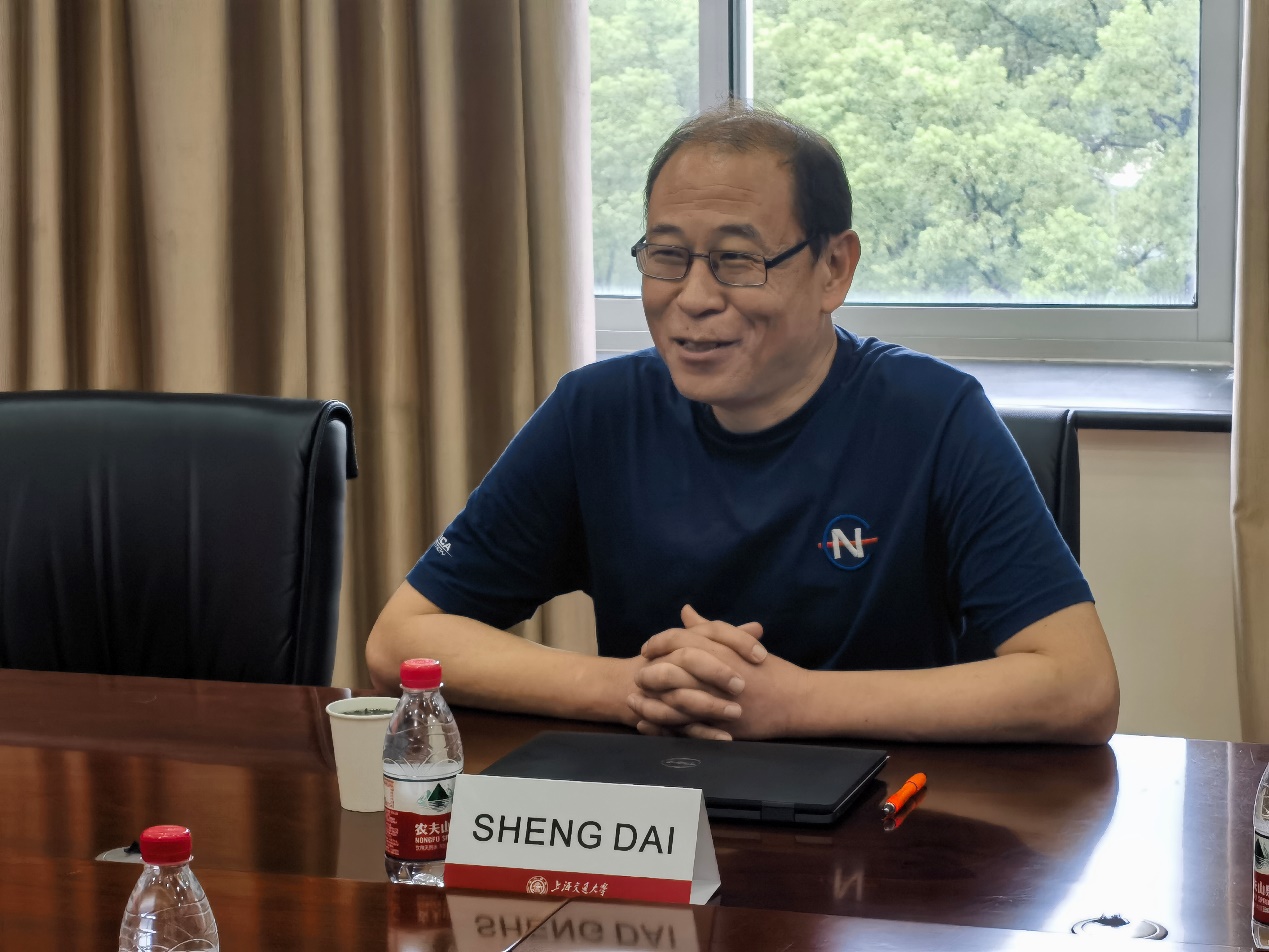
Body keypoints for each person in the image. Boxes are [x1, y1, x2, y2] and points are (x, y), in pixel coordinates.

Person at [365, 102, 1119, 745]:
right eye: (667, 256)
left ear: (833, 268)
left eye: (735, 260)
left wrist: (793, 702)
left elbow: (1078, 684)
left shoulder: (933, 416)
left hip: (888, 819)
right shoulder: (595, 411)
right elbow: (400, 638)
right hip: (656, 818)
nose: (693, 298)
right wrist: (630, 688)